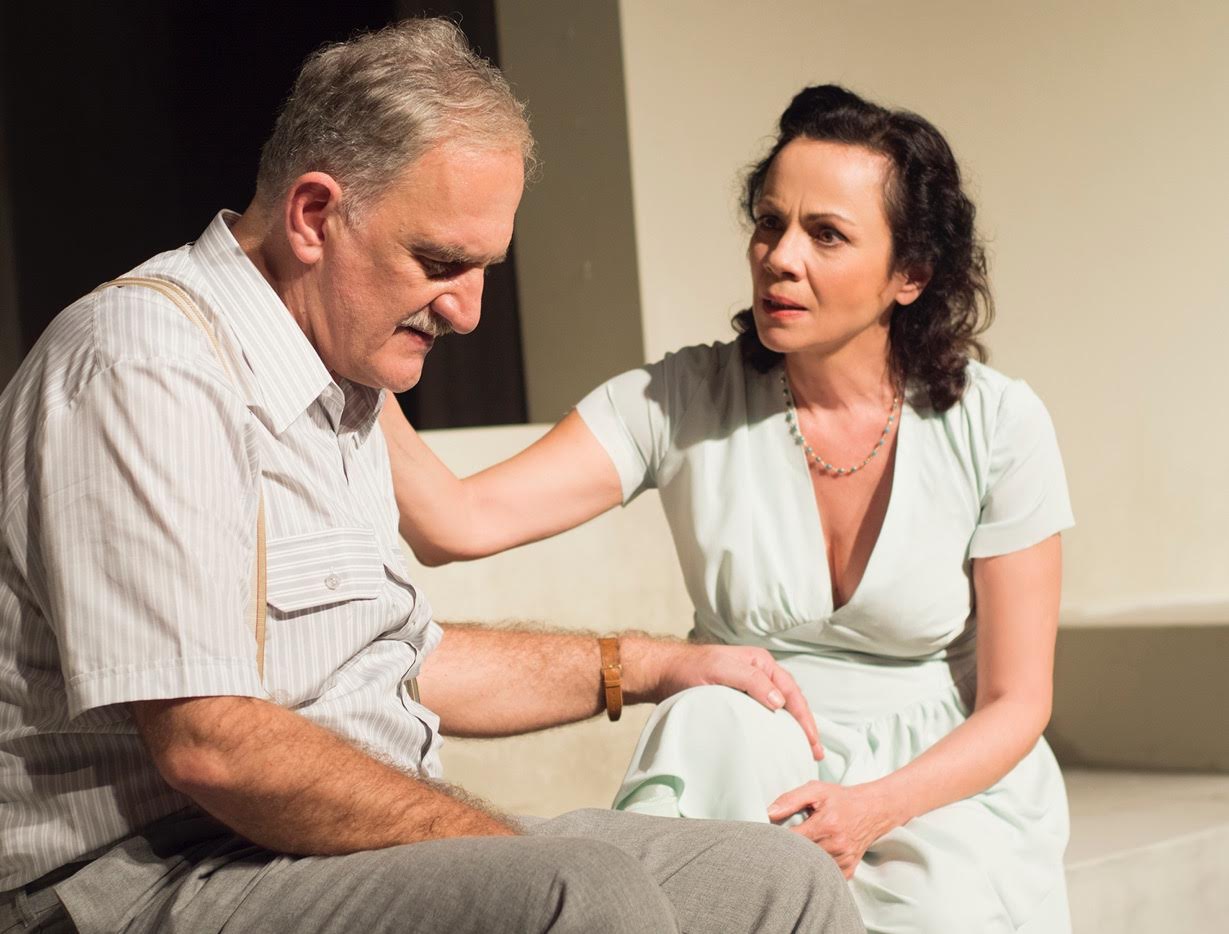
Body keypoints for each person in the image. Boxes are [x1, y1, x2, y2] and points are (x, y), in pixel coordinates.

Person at [0, 21, 865, 934]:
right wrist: (498, 851)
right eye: (441, 263)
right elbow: (211, 745)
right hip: (145, 874)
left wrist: (649, 665)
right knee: (581, 890)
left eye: (483, 269)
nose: (468, 310)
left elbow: (396, 661)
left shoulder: (341, 374)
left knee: (777, 879)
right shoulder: (149, 366)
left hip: (314, 851)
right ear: (313, 215)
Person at [379, 84, 1074, 933]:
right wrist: (342, 350)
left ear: (910, 274)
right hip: (745, 756)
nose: (781, 257)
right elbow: (456, 520)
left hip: (935, 785)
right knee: (714, 720)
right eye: (769, 223)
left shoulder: (998, 424)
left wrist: (872, 808)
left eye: (825, 234)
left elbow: (1017, 702)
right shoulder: (679, 398)